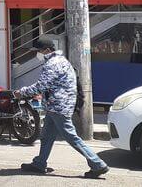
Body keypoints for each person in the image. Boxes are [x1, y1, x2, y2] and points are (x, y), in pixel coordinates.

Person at [17, 37, 108, 178]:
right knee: (46, 136)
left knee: (71, 137)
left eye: (39, 51)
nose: (38, 54)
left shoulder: (53, 63)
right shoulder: (62, 61)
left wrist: (21, 92)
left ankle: (97, 164)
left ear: (47, 50)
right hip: (56, 106)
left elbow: (41, 86)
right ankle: (39, 163)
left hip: (58, 106)